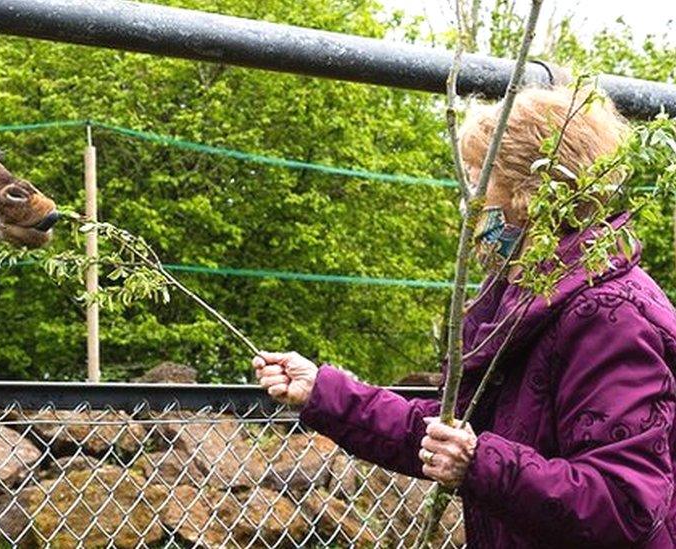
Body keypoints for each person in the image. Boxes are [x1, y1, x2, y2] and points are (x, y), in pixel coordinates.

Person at [254, 87, 676, 547]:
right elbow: (450, 435)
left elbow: (626, 505)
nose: (466, 203)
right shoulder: (524, 299)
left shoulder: (612, 316)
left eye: (478, 180)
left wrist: (479, 463)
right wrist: (325, 392)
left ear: (530, 192)